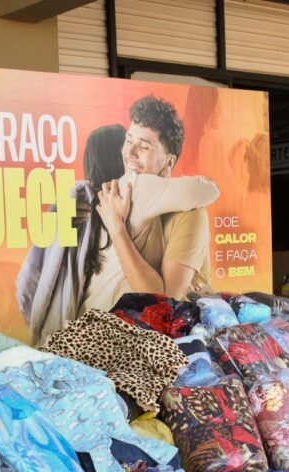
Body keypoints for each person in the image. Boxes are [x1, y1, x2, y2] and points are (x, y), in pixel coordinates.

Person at [89, 94, 217, 311]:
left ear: (169, 161)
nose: (129, 152)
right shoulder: (127, 190)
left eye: (144, 146)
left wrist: (117, 230)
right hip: (119, 329)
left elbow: (165, 303)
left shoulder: (184, 211)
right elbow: (210, 189)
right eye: (128, 140)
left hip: (135, 329)